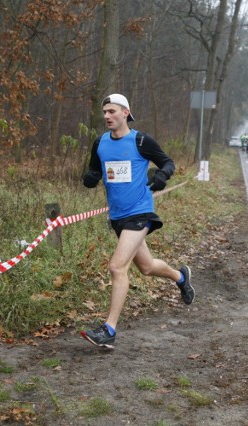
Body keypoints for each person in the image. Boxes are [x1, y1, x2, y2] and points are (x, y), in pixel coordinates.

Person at [80, 93, 195, 349]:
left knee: (117, 267)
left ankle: (109, 329)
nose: (107, 116)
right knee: (147, 267)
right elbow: (95, 171)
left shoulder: (141, 140)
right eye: (105, 112)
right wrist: (89, 178)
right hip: (118, 217)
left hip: (140, 212)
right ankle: (180, 277)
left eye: (112, 111)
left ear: (125, 112)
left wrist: (162, 175)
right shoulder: (100, 143)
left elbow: (167, 162)